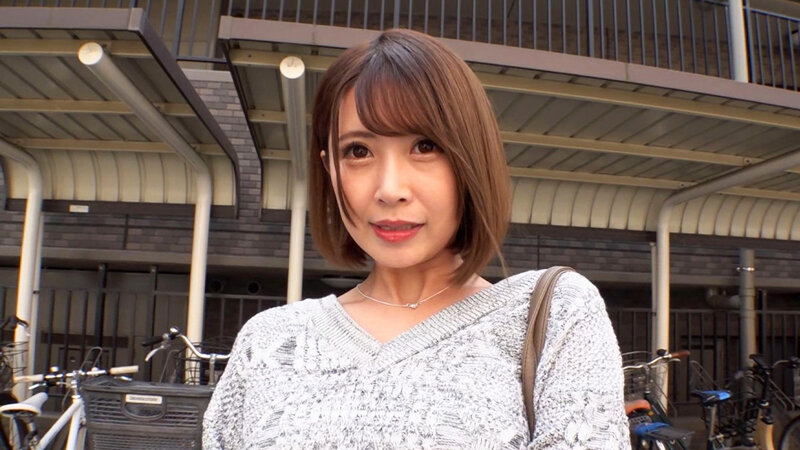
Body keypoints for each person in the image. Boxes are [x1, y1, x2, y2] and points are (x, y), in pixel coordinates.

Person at [203, 28, 630, 449]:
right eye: (358, 151)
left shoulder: (555, 315)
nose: (390, 189)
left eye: (425, 146)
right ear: (330, 169)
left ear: (471, 157)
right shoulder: (268, 341)